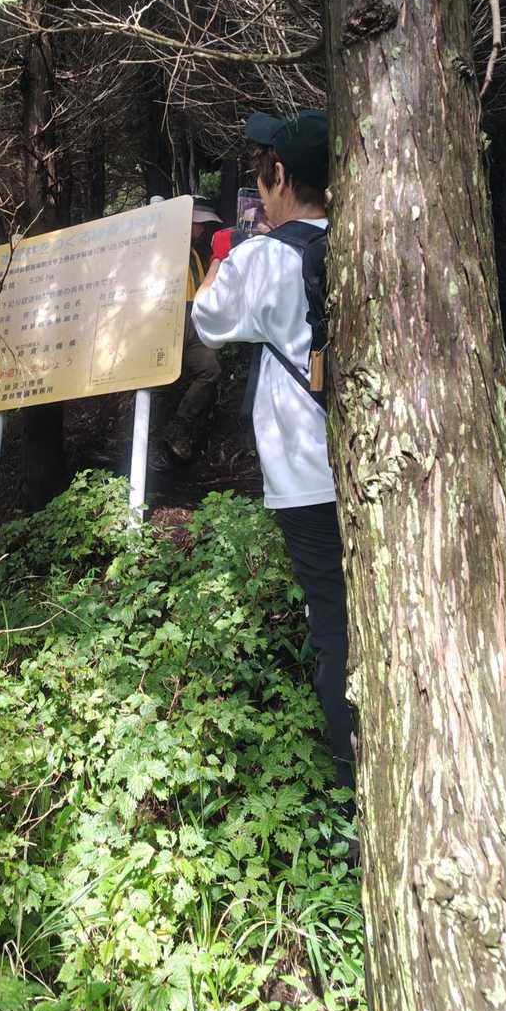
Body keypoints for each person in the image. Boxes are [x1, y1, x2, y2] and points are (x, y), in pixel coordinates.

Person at [191, 111, 355, 791]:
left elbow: (207, 319)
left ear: (279, 175)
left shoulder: (261, 258)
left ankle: (353, 775)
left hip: (307, 473)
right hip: (377, 461)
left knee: (334, 620)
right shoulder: (359, 240)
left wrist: (225, 251)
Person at [155, 196, 223, 465]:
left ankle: (179, 426)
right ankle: (154, 446)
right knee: (159, 382)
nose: (202, 229)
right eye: (199, 223)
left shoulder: (193, 253)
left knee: (210, 369)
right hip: (166, 314)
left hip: (193, 316)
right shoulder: (164, 246)